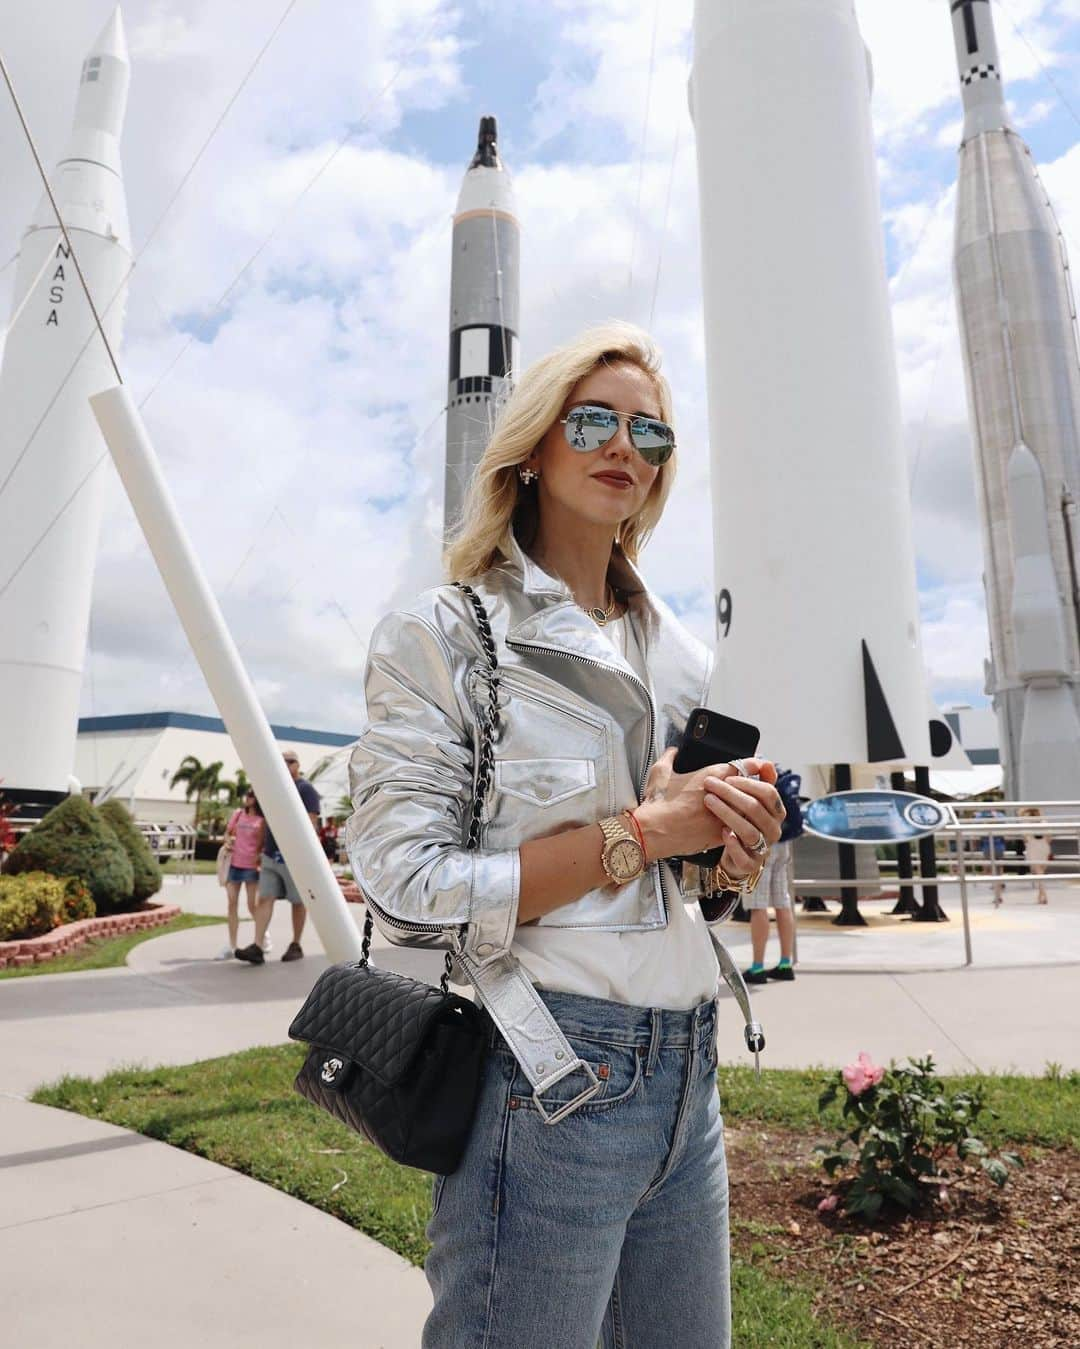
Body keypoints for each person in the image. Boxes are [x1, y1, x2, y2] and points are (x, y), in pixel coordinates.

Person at [347, 324, 784, 1348]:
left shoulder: (682, 657)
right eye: (592, 419)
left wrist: (724, 852)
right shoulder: (447, 631)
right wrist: (641, 830)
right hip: (547, 1072)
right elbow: (405, 883)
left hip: (691, 1072)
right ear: (535, 448)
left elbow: (681, 882)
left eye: (650, 431)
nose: (621, 443)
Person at [235, 751, 320, 964]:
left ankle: (296, 944)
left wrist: (304, 852)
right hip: (271, 854)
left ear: (298, 764)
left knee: (297, 901)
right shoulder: (274, 789)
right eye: (282, 761)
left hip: (294, 856)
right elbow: (265, 822)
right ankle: (257, 945)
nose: (286, 765)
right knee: (264, 898)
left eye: (290, 761)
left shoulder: (306, 789)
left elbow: (311, 821)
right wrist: (260, 849)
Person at [742, 767, 802, 985]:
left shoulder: (752, 775)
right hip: (783, 844)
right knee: (782, 902)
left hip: (762, 845)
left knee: (758, 905)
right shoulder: (778, 774)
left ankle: (757, 967)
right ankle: (786, 963)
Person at [216, 790, 266, 959]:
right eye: (247, 795)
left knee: (252, 905)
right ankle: (232, 945)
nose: (248, 798)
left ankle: (262, 937)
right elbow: (227, 833)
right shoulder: (238, 814)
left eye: (251, 795)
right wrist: (228, 840)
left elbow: (262, 844)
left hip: (251, 867)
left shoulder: (262, 820)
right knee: (231, 903)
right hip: (233, 865)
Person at [1019, 806, 1051, 904]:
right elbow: (1049, 837)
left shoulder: (1026, 822)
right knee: (1041, 872)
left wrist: (1028, 843)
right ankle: (1040, 896)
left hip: (1033, 846)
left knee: (1038, 873)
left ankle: (1044, 895)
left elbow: (1024, 838)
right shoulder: (1044, 822)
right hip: (1044, 846)